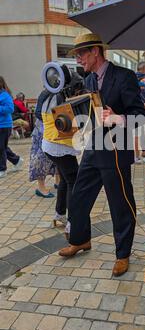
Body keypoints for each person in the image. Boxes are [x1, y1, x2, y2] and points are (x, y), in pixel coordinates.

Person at [59, 33, 145, 277]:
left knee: (119, 204)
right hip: (93, 148)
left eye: (81, 54)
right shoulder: (87, 81)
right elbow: (89, 116)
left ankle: (123, 255)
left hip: (117, 150)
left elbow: (140, 114)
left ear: (95, 52)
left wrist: (118, 117)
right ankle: (80, 239)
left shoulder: (124, 76)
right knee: (78, 197)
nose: (78, 59)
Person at [41, 71, 82, 229]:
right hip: (59, 145)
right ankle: (72, 222)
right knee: (73, 181)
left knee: (65, 179)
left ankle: (59, 213)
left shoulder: (49, 94)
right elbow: (68, 126)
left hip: (50, 144)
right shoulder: (60, 98)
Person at [29, 88, 55, 198]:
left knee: (57, 157)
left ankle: (58, 182)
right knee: (41, 159)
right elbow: (38, 112)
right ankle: (41, 188)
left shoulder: (62, 91)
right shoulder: (46, 93)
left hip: (54, 130)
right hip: (43, 131)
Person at [0, 76, 23, 178]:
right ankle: (17, 160)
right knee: (2, 147)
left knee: (1, 148)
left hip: (4, 125)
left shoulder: (5, 95)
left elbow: (10, 109)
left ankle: (2, 169)